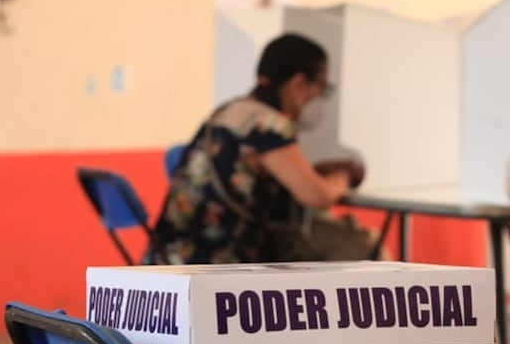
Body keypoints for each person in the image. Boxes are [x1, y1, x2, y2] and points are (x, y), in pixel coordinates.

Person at [148, 33, 368, 265]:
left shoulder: (229, 111)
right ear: (299, 83)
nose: (318, 99)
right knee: (360, 245)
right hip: (217, 265)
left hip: (165, 258)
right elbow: (316, 195)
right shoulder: (268, 125)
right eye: (321, 88)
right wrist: (345, 174)